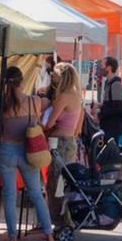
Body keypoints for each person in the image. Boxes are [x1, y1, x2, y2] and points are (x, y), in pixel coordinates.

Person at [0, 65, 55, 241]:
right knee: (36, 194)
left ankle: (13, 239)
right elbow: (49, 104)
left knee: (10, 197)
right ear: (22, 81)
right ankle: (49, 236)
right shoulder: (34, 101)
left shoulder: (0, 106)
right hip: (29, 152)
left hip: (6, 152)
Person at [42, 62, 83, 228]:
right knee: (64, 184)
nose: (52, 75)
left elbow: (50, 122)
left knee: (55, 184)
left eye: (55, 73)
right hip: (68, 142)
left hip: (60, 143)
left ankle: (59, 222)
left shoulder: (64, 96)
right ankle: (64, 220)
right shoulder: (75, 94)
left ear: (62, 76)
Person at [96, 56, 122, 144]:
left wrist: (99, 115)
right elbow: (111, 103)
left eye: (102, 65)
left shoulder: (116, 83)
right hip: (108, 125)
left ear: (109, 68)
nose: (100, 68)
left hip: (114, 126)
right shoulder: (109, 82)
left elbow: (117, 107)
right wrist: (100, 106)